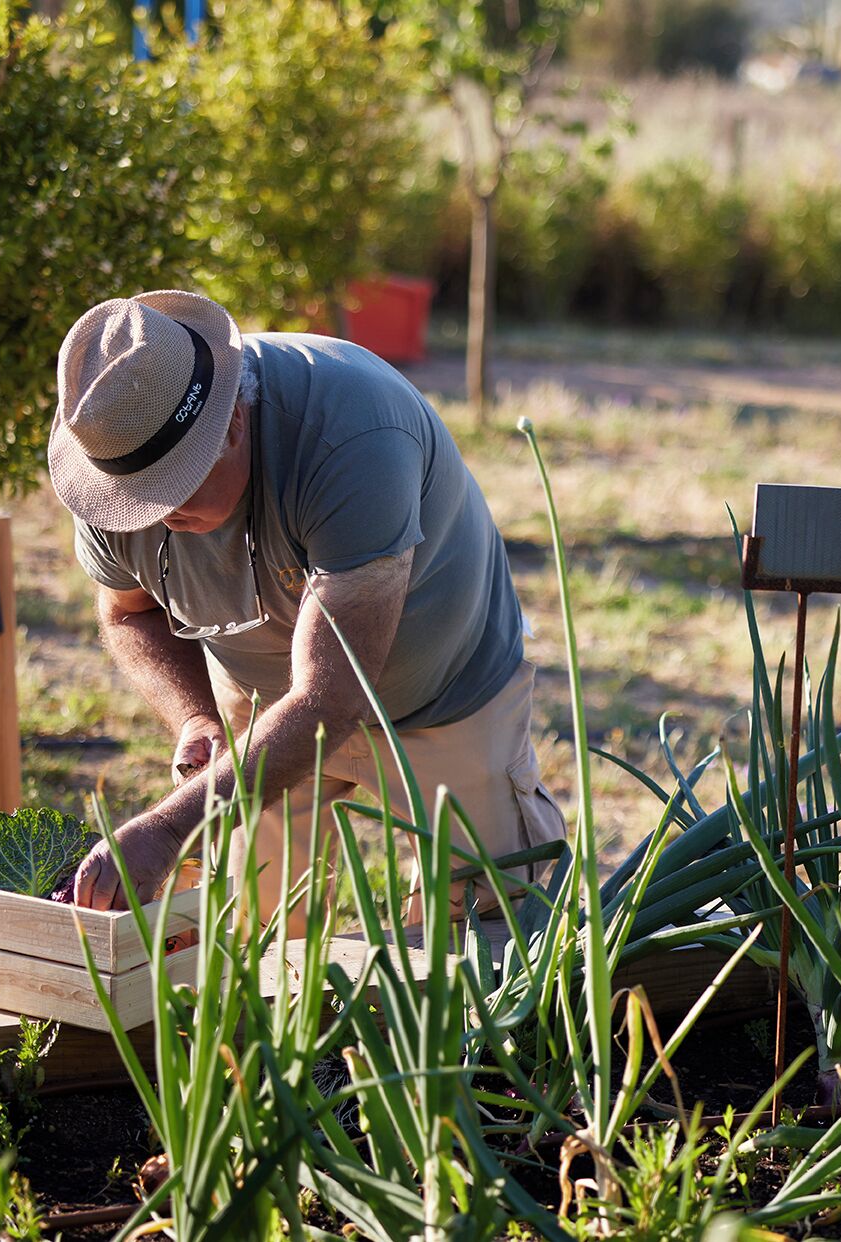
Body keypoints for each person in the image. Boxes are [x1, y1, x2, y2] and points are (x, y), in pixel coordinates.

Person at [47, 289, 565, 924]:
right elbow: (130, 612)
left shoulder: (351, 437)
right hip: (261, 704)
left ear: (233, 423)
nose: (150, 516)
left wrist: (167, 829)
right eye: (134, 499)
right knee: (253, 932)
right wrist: (195, 718)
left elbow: (331, 698)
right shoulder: (113, 446)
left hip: (439, 697)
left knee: (495, 927)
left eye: (172, 490)